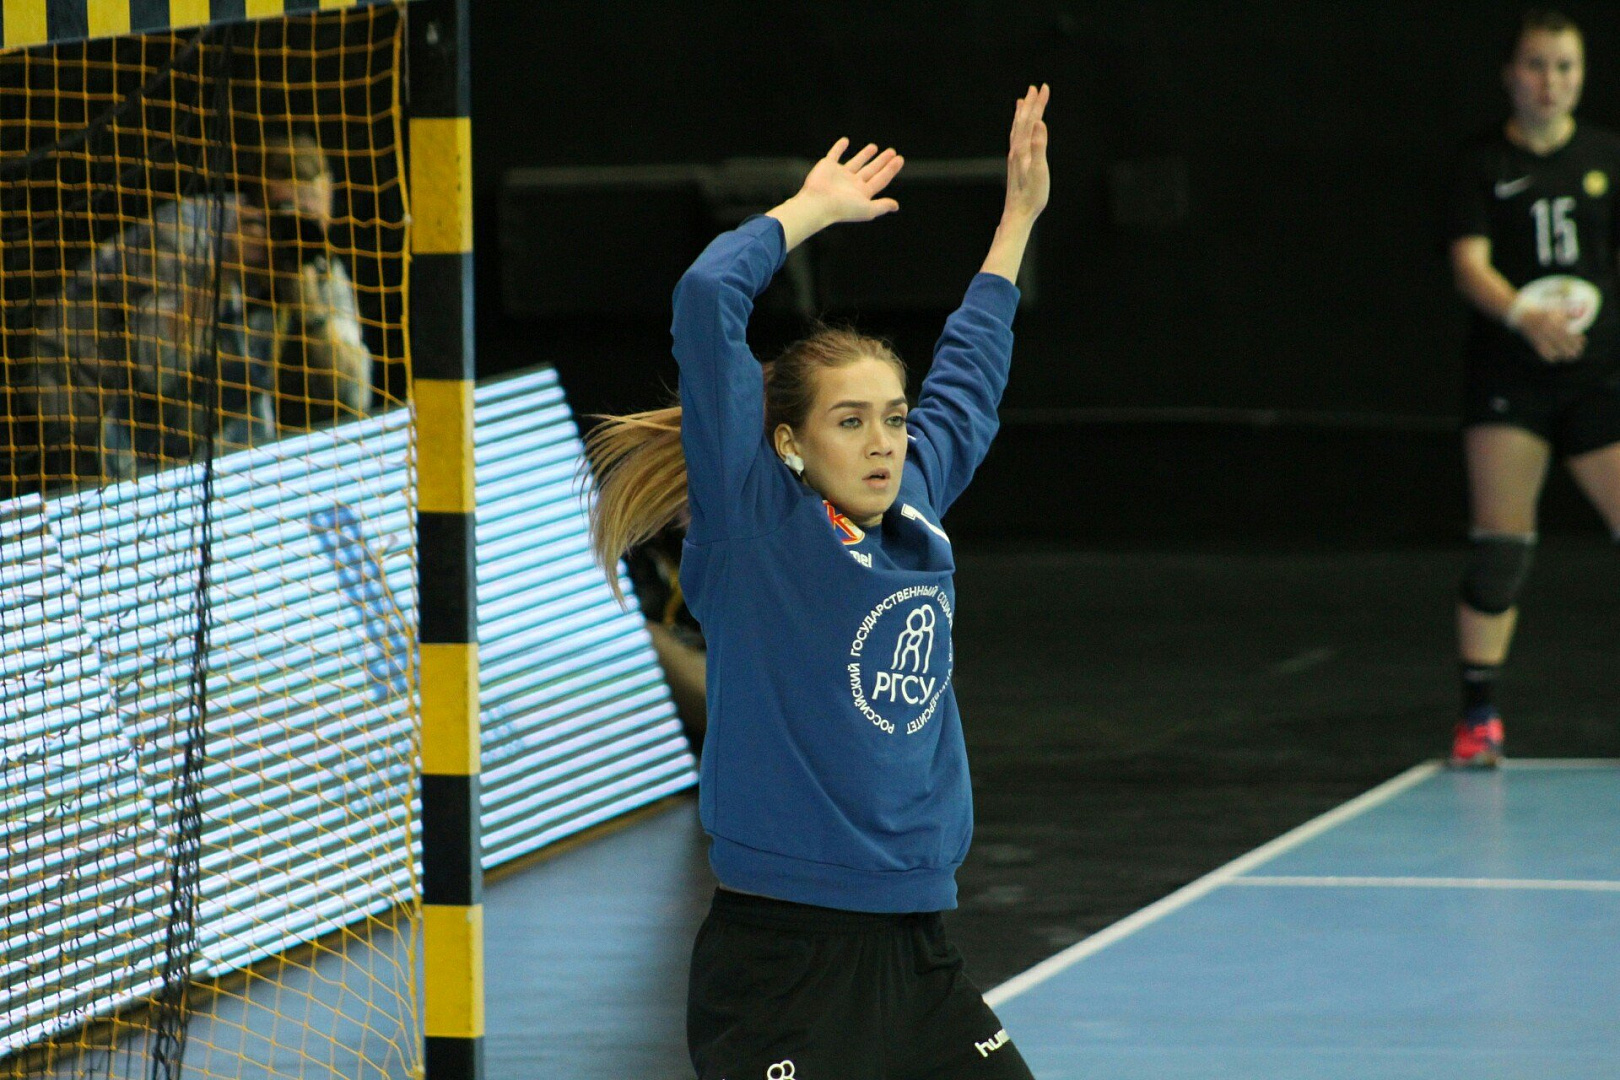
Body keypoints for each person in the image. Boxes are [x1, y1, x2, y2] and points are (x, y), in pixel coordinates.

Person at [588, 85, 1050, 1078]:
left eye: (894, 417)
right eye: (851, 421)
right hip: (782, 964)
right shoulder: (755, 522)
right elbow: (707, 300)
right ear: (791, 442)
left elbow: (971, 374)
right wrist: (806, 211)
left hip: (917, 953)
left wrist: (1018, 219)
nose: (884, 442)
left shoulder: (914, 504)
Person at [1445, 9, 1620, 767]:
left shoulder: (1607, 157)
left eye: (1566, 67)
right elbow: (1469, 265)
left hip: (1595, 375)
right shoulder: (1482, 163)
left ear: (1582, 77)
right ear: (1511, 75)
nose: (1551, 82)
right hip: (1511, 376)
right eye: (1537, 65)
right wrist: (1525, 315)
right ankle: (1478, 714)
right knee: (1503, 547)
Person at [6, 131, 371, 491]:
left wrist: (312, 312)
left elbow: (355, 395)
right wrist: (222, 272)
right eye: (288, 215)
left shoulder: (312, 263)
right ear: (253, 205)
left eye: (313, 220)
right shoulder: (184, 234)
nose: (300, 232)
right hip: (79, 393)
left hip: (186, 411)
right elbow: (158, 368)